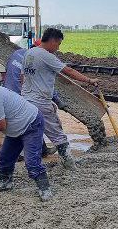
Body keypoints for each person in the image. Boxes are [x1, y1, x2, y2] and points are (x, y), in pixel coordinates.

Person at [21, 28, 98, 169]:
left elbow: (22, 77)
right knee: (57, 134)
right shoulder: (47, 56)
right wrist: (89, 80)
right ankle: (69, 163)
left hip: (26, 100)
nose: (58, 48)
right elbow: (68, 71)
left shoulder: (28, 53)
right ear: (52, 40)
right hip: (41, 102)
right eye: (58, 44)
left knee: (30, 132)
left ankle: (30, 162)